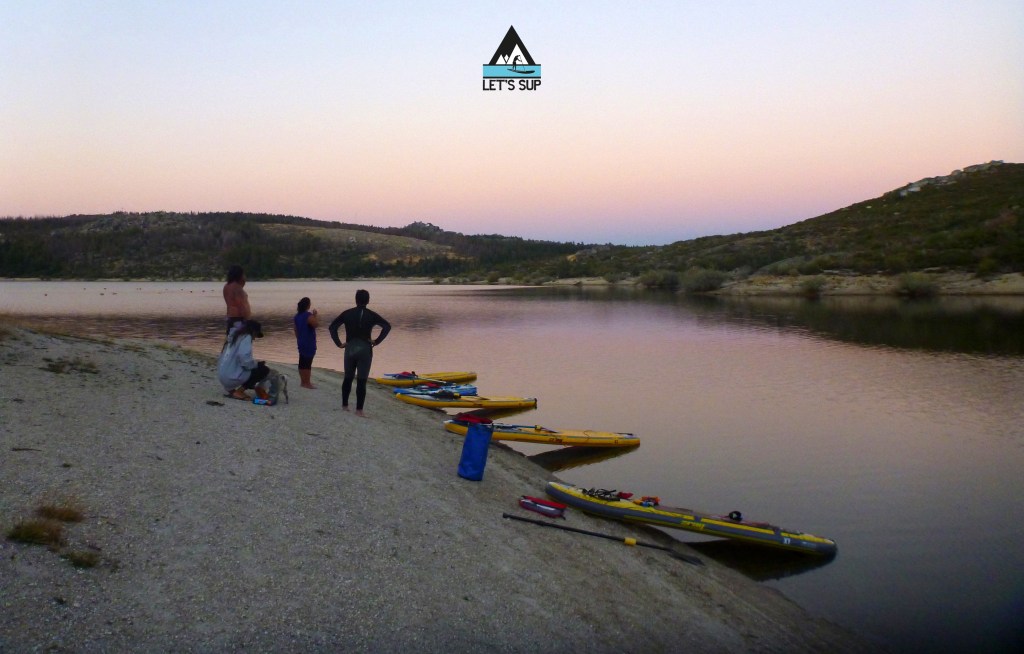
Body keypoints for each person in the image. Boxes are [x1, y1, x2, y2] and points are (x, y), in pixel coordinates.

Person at [328, 289, 391, 417]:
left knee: (348, 378)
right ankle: (359, 410)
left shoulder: (347, 313)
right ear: (368, 300)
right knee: (362, 381)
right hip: (365, 349)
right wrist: (376, 341)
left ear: (356, 300)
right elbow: (387, 326)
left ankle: (345, 406)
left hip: (350, 348)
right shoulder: (372, 315)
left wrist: (339, 343)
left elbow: (332, 327)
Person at [217, 320, 270, 400]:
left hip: (222, 376)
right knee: (263, 370)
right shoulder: (246, 337)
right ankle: (239, 391)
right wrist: (257, 365)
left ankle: (231, 390)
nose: (254, 338)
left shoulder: (233, 336)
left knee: (251, 367)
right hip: (230, 377)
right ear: (253, 331)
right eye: (255, 335)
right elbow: (244, 360)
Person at [293, 296, 319, 389]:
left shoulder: (297, 316)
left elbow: (295, 330)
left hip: (301, 340)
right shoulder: (308, 315)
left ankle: (303, 382)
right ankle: (307, 382)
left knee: (302, 361)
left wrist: (299, 339)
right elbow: (315, 324)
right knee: (308, 362)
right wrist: (315, 315)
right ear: (307, 305)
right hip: (308, 341)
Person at [223, 265, 251, 335]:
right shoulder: (237, 289)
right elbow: (242, 306)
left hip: (231, 319)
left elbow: (232, 300)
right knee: (241, 343)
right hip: (239, 320)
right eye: (243, 274)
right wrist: (247, 321)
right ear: (239, 275)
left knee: (231, 343)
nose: (245, 276)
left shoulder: (227, 286)